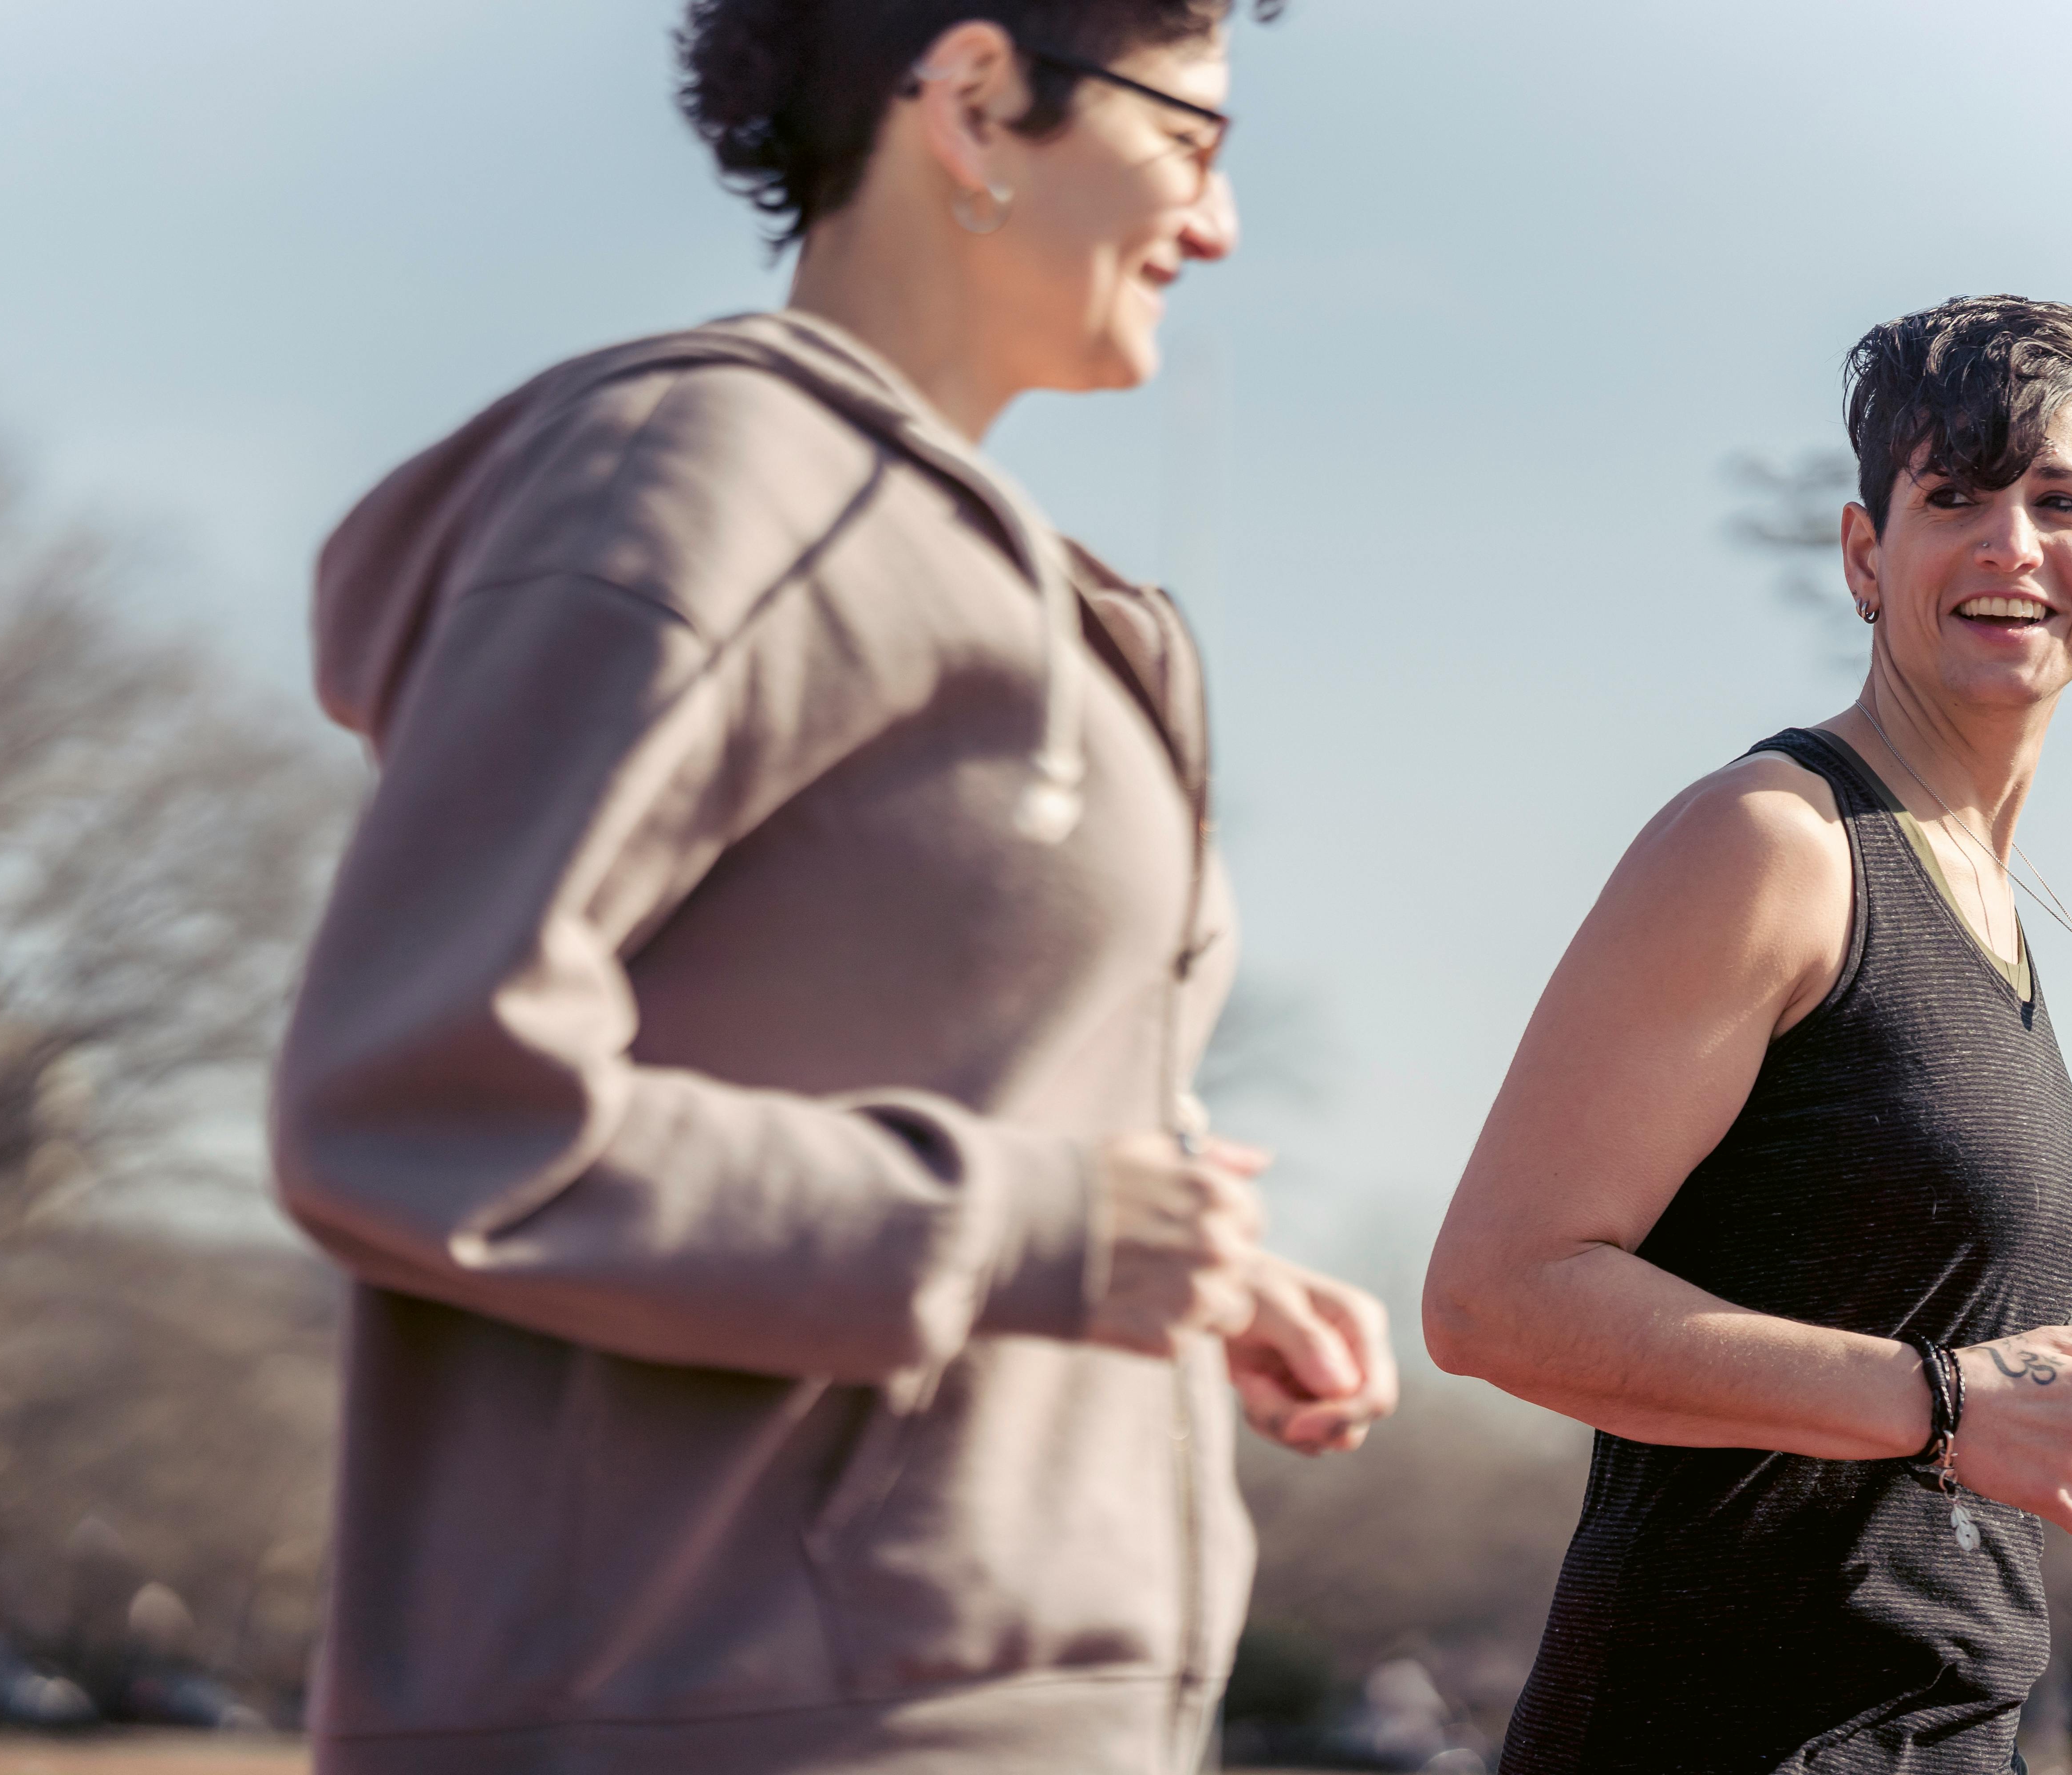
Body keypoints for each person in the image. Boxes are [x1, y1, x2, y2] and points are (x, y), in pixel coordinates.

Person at [269, 4, 1397, 1772]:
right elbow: (408, 1107)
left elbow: (893, 1095)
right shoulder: (703, 482)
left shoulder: (989, 565)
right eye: (1193, 140)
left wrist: (1187, 1265)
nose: (1218, 222)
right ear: (971, 101)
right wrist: (1042, 1227)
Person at [1421, 296, 2072, 1773]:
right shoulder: (1773, 844)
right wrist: (1937, 1406)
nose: (2009, 546)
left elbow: (1961, 1405)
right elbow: (1493, 1297)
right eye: (1955, 498)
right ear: (1867, 556)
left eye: (2059, 500)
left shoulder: (1976, 890)